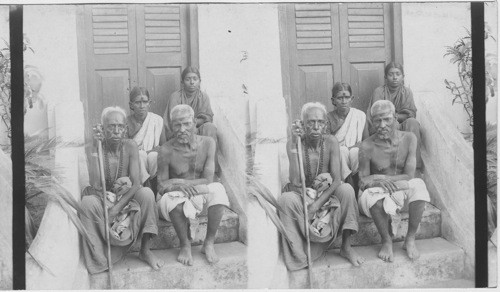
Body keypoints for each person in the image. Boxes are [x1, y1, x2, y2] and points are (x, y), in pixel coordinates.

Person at [278, 102, 364, 271]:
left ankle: (346, 247)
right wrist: (295, 145)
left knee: (346, 190)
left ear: (325, 125)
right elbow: (295, 181)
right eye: (310, 122)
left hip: (326, 193)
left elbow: (337, 179)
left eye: (320, 122)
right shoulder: (293, 144)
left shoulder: (331, 142)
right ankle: (300, 255)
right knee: (285, 200)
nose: (316, 127)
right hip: (301, 193)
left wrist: (316, 205)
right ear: (302, 124)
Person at [80, 106, 164, 274]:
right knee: (87, 202)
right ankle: (100, 259)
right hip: (102, 196)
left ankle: (145, 251)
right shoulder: (94, 147)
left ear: (126, 129)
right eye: (111, 126)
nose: (116, 131)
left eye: (120, 126)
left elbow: (136, 183)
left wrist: (117, 208)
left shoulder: (130, 146)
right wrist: (95, 150)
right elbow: (96, 184)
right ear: (103, 128)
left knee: (147, 194)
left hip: (126, 197)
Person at [156, 104, 229, 266]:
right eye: (177, 124)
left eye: (186, 124)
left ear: (195, 122)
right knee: (172, 199)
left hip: (198, 192)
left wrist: (181, 182)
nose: (182, 129)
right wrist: (177, 187)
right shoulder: (165, 150)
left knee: (218, 189)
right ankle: (185, 245)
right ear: (171, 126)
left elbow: (209, 179)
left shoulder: (208, 143)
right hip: (177, 195)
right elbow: (161, 185)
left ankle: (208, 243)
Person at [358, 100, 430, 262]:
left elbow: (410, 175)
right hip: (377, 193)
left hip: (399, 190)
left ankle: (410, 239)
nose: (382, 125)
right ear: (372, 122)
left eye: (387, 119)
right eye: (377, 120)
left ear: (395, 117)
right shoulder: (366, 146)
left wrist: (381, 178)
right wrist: (376, 182)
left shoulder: (410, 138)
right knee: (373, 196)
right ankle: (386, 241)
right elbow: (362, 181)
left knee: (419, 185)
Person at [366, 62, 423, 169]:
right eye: (391, 74)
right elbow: (377, 114)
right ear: (385, 77)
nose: (395, 77)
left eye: (398, 74)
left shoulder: (407, 92)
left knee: (413, 123)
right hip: (383, 125)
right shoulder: (379, 91)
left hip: (402, 124)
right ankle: (395, 165)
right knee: (393, 124)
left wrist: (395, 117)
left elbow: (410, 114)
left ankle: (415, 165)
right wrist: (393, 119)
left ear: (403, 77)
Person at [326, 82, 368, 186]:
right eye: (340, 98)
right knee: (342, 150)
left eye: (347, 97)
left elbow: (366, 141)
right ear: (333, 100)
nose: (344, 101)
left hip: (355, 152)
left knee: (355, 152)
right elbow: (327, 144)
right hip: (337, 155)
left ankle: (358, 185)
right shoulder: (328, 118)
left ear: (351, 99)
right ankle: (347, 184)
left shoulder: (359, 115)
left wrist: (357, 146)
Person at [163, 66, 217, 143]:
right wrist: (187, 125)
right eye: (188, 79)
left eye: (195, 79)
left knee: (210, 127)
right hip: (180, 128)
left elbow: (207, 118)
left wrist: (192, 125)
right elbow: (173, 119)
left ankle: (208, 153)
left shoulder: (203, 96)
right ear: (182, 82)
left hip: (197, 128)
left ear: (199, 81)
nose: (192, 82)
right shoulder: (175, 96)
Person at [126, 87, 166, 185]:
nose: (142, 106)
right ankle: (145, 186)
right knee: (140, 155)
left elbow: (163, 146)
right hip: (135, 160)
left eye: (144, 102)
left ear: (149, 103)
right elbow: (125, 150)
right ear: (131, 105)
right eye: (137, 102)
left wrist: (150, 152)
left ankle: (156, 187)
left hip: (153, 158)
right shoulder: (126, 122)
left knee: (154, 156)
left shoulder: (157, 120)